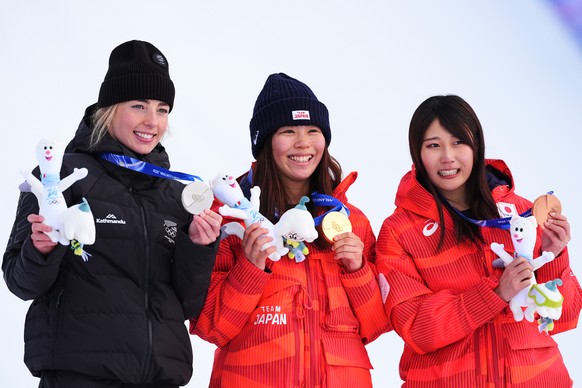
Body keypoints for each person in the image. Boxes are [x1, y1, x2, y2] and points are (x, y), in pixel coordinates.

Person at [2, 40, 222, 387]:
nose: (152, 122)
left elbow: (187, 305)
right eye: (139, 106)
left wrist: (197, 247)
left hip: (160, 378)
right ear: (109, 108)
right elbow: (20, 281)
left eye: (163, 110)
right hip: (81, 377)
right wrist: (42, 250)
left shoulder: (174, 193)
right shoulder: (61, 176)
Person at [190, 73, 389, 387]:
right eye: (288, 131)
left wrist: (358, 270)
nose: (303, 143)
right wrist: (251, 268)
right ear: (265, 142)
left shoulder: (352, 221)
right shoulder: (229, 219)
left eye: (313, 130)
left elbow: (376, 325)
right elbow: (211, 327)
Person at [375, 94, 582, 387]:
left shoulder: (522, 215)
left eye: (458, 142)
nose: (447, 156)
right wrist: (495, 293)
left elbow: (565, 318)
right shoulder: (399, 232)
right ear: (417, 154)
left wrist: (554, 255)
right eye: (433, 145)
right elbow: (418, 329)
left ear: (476, 146)